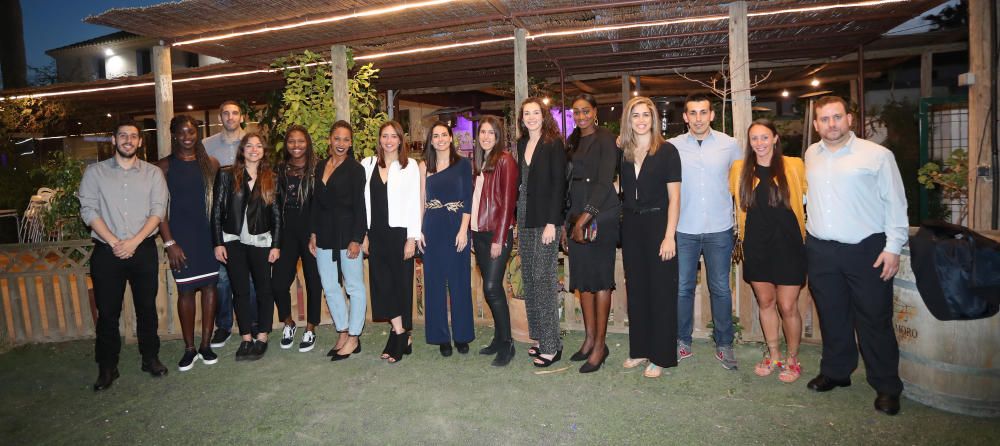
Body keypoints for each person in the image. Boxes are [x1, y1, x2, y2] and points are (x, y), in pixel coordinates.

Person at [803, 96, 908, 416]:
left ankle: (887, 386)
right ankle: (836, 372)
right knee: (832, 315)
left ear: (849, 119)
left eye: (837, 117)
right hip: (821, 248)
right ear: (816, 123)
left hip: (866, 249)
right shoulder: (811, 154)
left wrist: (893, 247)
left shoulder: (877, 155)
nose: (831, 124)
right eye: (824, 119)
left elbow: (895, 203)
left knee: (874, 318)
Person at [80, 121, 169, 391]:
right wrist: (116, 242)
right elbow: (89, 210)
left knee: (147, 309)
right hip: (107, 252)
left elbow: (158, 211)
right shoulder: (95, 173)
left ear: (140, 142)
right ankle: (107, 367)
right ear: (113, 140)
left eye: (133, 136)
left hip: (142, 250)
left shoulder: (153, 174)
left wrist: (134, 242)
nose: (128, 140)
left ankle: (150, 358)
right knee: (107, 313)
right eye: (123, 136)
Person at [667, 92, 741, 370]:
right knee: (682, 288)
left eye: (703, 112)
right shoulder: (672, 146)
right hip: (684, 228)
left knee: (720, 288)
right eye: (692, 113)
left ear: (711, 114)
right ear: (685, 117)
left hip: (719, 229)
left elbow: (740, 182)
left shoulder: (730, 145)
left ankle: (724, 344)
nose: (698, 118)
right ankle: (681, 341)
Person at [729, 119, 807, 383]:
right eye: (754, 139)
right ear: (749, 143)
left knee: (787, 305)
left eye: (765, 137)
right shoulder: (740, 169)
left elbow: (809, 197)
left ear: (775, 138)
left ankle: (793, 357)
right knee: (766, 302)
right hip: (756, 245)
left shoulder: (794, 166)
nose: (759, 143)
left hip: (790, 244)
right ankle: (773, 354)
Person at [618, 97, 682, 379]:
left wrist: (670, 236)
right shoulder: (625, 152)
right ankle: (640, 349)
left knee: (660, 291)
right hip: (631, 225)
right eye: (635, 116)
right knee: (638, 290)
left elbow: (675, 198)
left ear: (654, 119)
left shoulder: (668, 152)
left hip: (659, 224)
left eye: (646, 115)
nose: (641, 120)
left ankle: (661, 355)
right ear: (628, 121)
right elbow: (621, 187)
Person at [156, 115, 221, 372]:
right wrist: (170, 242)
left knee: (209, 288)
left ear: (198, 134)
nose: (187, 137)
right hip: (180, 238)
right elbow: (158, 210)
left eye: (191, 132)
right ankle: (189, 348)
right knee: (185, 291)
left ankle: (205, 345)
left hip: (207, 237)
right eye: (182, 132)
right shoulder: (163, 167)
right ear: (174, 135)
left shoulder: (211, 164)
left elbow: (219, 204)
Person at [212, 132, 282, 361]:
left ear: (264, 151)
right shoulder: (226, 175)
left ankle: (262, 336)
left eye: (258, 146)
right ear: (242, 150)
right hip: (233, 242)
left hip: (261, 241)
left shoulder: (272, 177)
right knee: (240, 291)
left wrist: (276, 245)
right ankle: (245, 338)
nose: (254, 149)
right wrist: (218, 243)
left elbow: (278, 215)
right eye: (249, 146)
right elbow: (216, 213)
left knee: (264, 289)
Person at [563, 94, 620, 373]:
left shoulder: (606, 138)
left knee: (599, 281)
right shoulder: (572, 140)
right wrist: (568, 222)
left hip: (600, 214)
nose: (581, 116)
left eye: (586, 111)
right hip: (575, 214)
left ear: (595, 112)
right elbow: (567, 184)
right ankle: (588, 339)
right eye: (576, 112)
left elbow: (604, 180)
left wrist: (584, 219)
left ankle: (600, 345)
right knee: (582, 280)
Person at [360, 121, 422, 363]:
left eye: (393, 136)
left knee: (401, 285)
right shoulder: (368, 164)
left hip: (399, 234)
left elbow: (414, 203)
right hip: (375, 233)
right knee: (382, 285)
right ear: (379, 139)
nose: (388, 140)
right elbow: (361, 203)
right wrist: (363, 234)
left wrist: (411, 238)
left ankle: (400, 335)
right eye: (384, 136)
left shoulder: (410, 166)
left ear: (400, 140)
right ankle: (399, 333)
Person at [516, 97, 567, 368]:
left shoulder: (553, 143)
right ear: (522, 118)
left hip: (545, 217)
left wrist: (552, 222)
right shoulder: (522, 143)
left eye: (536, 112)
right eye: (527, 113)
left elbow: (560, 184)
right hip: (524, 213)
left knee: (543, 276)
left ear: (544, 116)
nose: (531, 117)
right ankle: (539, 336)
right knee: (529, 276)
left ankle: (552, 345)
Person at [310, 121, 367, 360]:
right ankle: (342, 331)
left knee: (354, 287)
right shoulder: (321, 165)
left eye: (345, 139)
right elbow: (315, 203)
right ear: (329, 140)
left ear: (350, 143)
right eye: (337, 138)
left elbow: (360, 207)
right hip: (324, 234)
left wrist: (357, 238)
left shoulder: (355, 169)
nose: (341, 143)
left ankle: (354, 337)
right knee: (331, 286)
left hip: (348, 235)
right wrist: (313, 233)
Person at [421, 121, 474, 357]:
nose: (440, 139)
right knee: (433, 284)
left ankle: (462, 335)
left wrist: (464, 230)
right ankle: (441, 336)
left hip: (456, 227)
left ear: (450, 138)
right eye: (436, 136)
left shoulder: (463, 164)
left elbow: (468, 198)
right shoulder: (424, 166)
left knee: (459, 282)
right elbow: (420, 200)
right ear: (431, 141)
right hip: (431, 227)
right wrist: (418, 230)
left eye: (444, 135)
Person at [203, 100, 252, 349]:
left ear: (241, 116)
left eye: (235, 113)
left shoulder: (251, 141)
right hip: (222, 221)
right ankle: (224, 326)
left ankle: (251, 323)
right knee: (222, 278)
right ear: (219, 116)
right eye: (226, 113)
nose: (230, 117)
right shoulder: (207, 145)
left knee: (250, 277)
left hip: (251, 221)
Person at [470, 115, 519, 367]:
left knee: (491, 287)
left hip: (496, 234)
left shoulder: (505, 160)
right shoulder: (480, 162)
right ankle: (499, 339)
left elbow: (509, 202)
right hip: (479, 234)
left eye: (491, 132)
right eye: (482, 132)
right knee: (494, 289)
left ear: (498, 135)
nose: (486, 136)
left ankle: (508, 343)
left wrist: (500, 238)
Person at [271, 126, 323, 352]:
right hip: (286, 231)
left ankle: (311, 328)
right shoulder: (279, 169)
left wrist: (316, 232)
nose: (296, 146)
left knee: (313, 280)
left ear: (308, 143)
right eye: (291, 141)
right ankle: (289, 323)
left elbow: (322, 203)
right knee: (279, 283)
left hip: (311, 230)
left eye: (301, 141)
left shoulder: (318, 168)